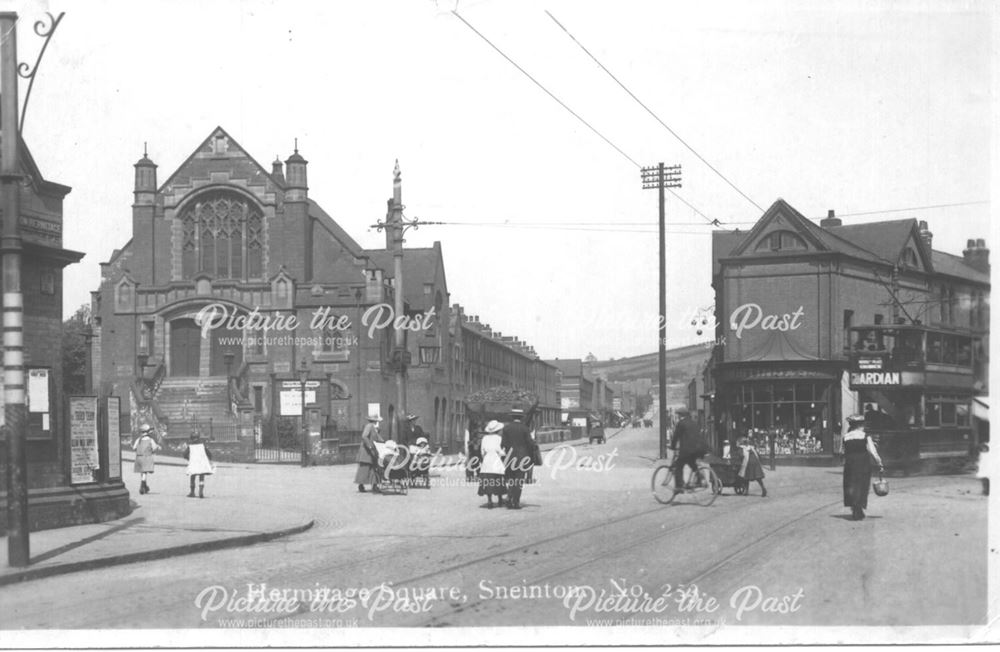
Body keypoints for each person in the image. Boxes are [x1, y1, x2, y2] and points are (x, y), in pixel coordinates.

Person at [843, 414, 883, 520]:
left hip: (850, 463)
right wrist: (879, 462)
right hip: (863, 463)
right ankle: (859, 508)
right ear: (860, 425)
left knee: (851, 485)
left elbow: (842, 451)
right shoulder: (865, 436)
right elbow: (872, 451)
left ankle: (855, 508)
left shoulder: (846, 437)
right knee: (862, 485)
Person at [669, 407, 710, 491]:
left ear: (681, 415)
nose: (678, 417)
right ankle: (700, 479)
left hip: (688, 450)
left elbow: (676, 436)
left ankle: (679, 486)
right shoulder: (694, 423)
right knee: (692, 463)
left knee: (678, 465)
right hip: (700, 449)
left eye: (678, 415)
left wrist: (672, 446)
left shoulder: (681, 423)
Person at [501, 410, 534, 509]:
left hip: (510, 458)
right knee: (519, 480)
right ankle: (515, 502)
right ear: (521, 417)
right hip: (522, 458)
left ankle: (509, 497)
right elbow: (530, 443)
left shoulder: (506, 428)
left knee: (511, 479)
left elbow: (503, 444)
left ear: (512, 417)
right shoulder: (525, 428)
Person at [478, 421, 507, 508]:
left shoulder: (484, 438)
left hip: (487, 461)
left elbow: (482, 452)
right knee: (498, 480)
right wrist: (503, 453)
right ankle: (500, 499)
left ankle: (489, 500)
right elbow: (500, 451)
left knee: (488, 480)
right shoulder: (499, 438)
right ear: (498, 430)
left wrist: (485, 458)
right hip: (496, 460)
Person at [354, 415, 384, 493]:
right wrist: (370, 446)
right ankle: (363, 485)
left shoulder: (373, 427)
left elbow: (378, 438)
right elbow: (364, 436)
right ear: (375, 420)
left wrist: (384, 442)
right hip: (366, 451)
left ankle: (373, 485)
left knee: (372, 468)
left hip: (371, 451)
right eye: (376, 420)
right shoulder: (369, 426)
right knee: (365, 468)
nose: (377, 421)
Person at [184, 432, 215, 498]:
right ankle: (201, 491)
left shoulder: (190, 446)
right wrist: (209, 459)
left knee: (192, 476)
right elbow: (209, 453)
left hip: (194, 463)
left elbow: (184, 454)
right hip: (201, 462)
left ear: (191, 439)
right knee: (201, 476)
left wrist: (189, 459)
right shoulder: (202, 445)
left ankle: (192, 492)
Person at [132, 424, 160, 495]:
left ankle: (145, 486)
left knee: (143, 472)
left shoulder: (138, 439)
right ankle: (142, 486)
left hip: (139, 457)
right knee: (144, 472)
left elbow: (134, 448)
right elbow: (154, 448)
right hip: (147, 457)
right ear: (148, 432)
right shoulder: (150, 440)